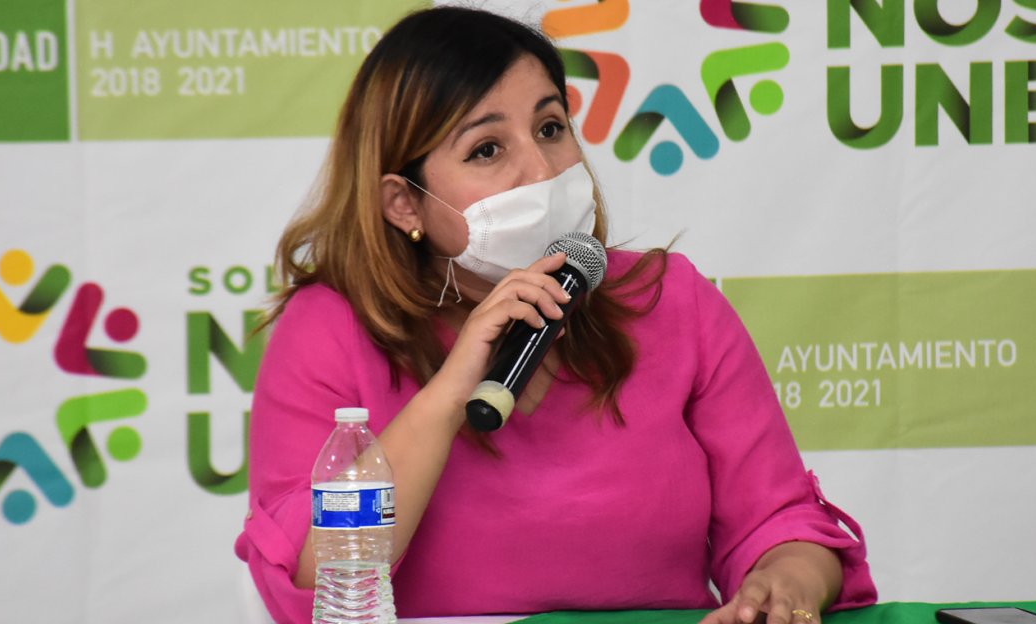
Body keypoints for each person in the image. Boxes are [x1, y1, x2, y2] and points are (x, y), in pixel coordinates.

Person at [236, 6, 876, 624]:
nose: (542, 170)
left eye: (550, 128)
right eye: (487, 149)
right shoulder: (328, 329)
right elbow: (315, 581)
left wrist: (788, 580)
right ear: (404, 204)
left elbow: (781, 524)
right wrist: (453, 388)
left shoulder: (668, 300)